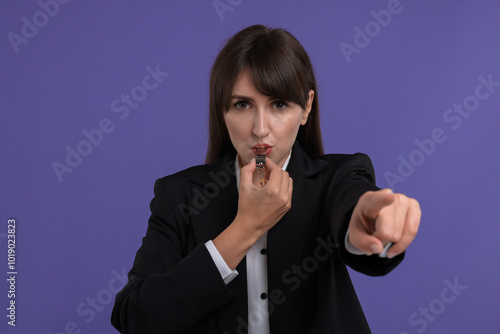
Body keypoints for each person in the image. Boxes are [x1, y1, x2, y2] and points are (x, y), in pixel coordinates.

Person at [111, 24, 421, 334]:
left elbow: (352, 201)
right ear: (221, 109)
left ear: (306, 107)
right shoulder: (179, 195)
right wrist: (246, 227)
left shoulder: (334, 179)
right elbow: (136, 318)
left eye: (279, 104)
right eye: (243, 105)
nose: (260, 128)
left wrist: (366, 221)